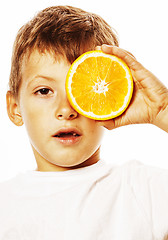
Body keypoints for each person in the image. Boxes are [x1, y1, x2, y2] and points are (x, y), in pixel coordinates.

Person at [1, 5, 168, 240]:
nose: (66, 110)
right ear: (15, 108)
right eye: (44, 90)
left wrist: (163, 110)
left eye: (86, 90)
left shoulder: (145, 191)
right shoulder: (4, 205)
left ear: (111, 98)